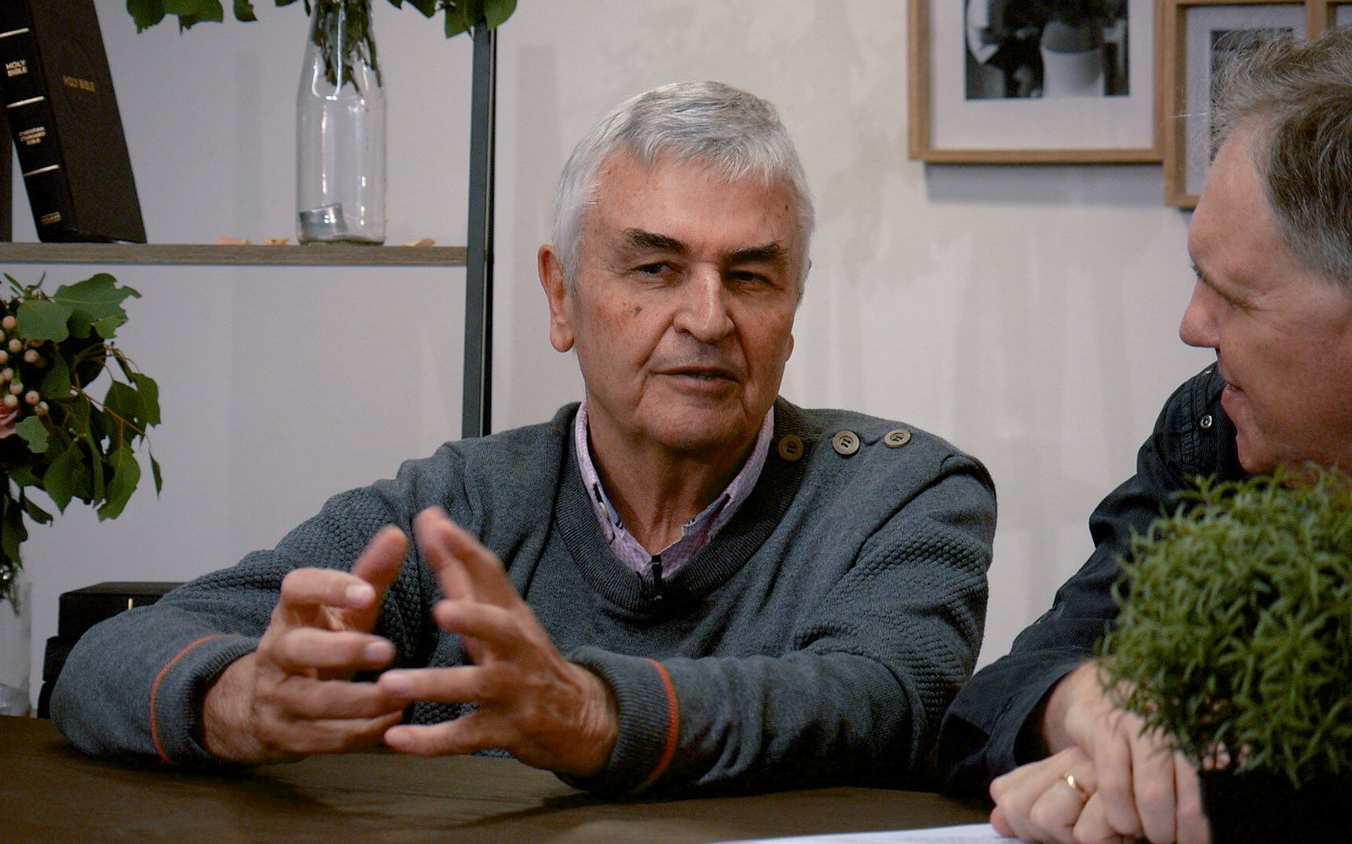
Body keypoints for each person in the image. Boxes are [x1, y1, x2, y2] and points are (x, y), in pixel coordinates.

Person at [52, 81, 997, 797]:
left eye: (750, 277)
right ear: (560, 295)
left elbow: (881, 704)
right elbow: (108, 661)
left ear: (793, 308)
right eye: (655, 268)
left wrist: (592, 712)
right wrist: (238, 702)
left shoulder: (899, 495)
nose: (708, 318)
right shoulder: (460, 505)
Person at [937, 28, 1352, 843]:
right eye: (1197, 277)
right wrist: (1092, 711)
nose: (1192, 326)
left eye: (1234, 296)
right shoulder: (1213, 429)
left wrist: (1224, 785)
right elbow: (993, 700)